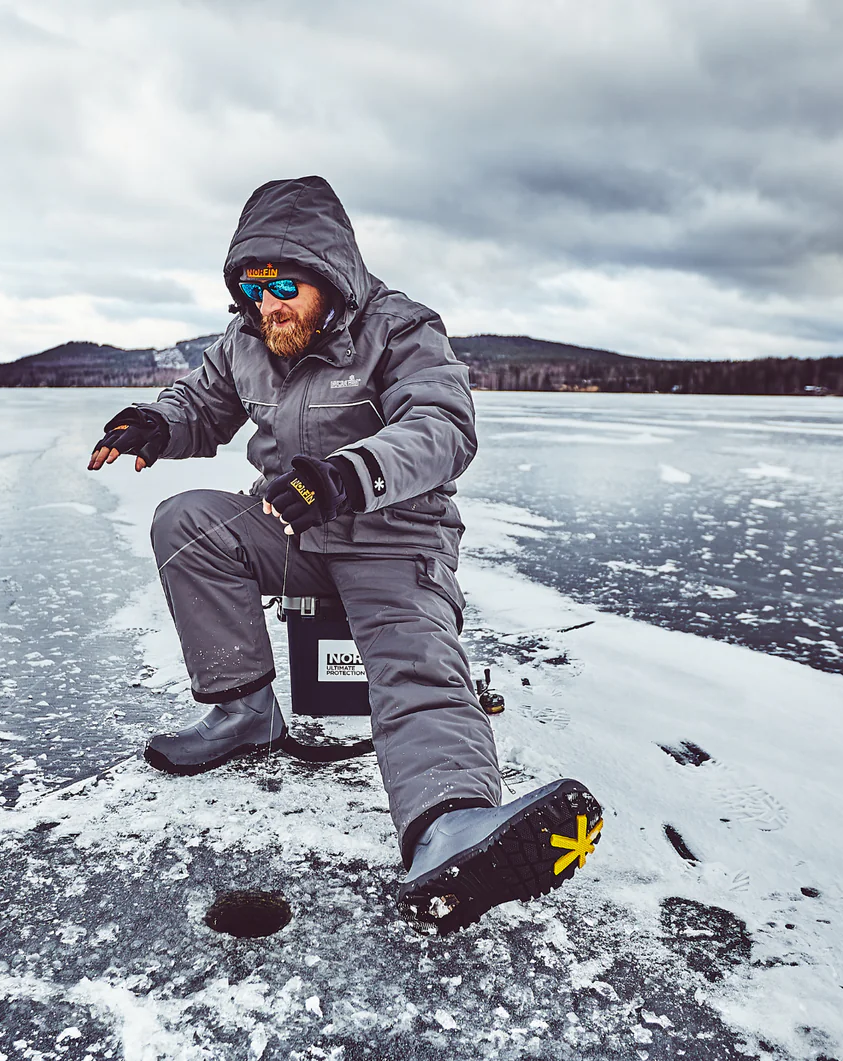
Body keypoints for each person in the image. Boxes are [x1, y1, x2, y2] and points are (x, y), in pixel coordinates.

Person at [89, 176, 602, 932]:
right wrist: (157, 425)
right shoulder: (246, 342)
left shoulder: (400, 329)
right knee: (186, 522)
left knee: (412, 664)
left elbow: (442, 423)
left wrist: (348, 475)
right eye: (251, 290)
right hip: (293, 532)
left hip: (392, 538)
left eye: (284, 285)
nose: (268, 306)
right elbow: (202, 405)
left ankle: (449, 825)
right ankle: (243, 713)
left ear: (328, 273)